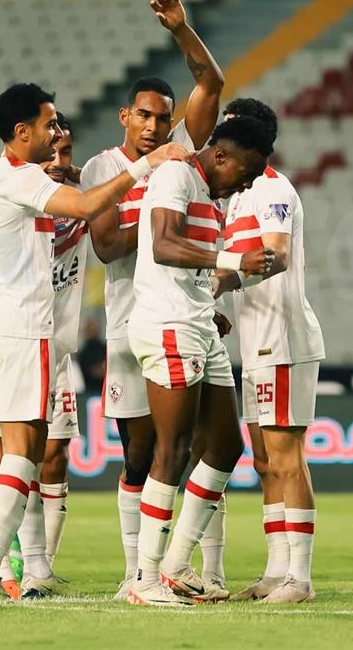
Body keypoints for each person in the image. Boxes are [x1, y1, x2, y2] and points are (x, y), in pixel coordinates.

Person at [0, 82, 188, 600]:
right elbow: (87, 206)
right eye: (48, 125)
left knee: (12, 448)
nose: (55, 132)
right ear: (22, 133)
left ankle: (14, 567)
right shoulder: (19, 178)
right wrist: (146, 167)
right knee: (24, 451)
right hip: (23, 327)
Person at [79, 0, 226, 600]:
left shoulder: (183, 155)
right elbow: (109, 247)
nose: (155, 127)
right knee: (141, 448)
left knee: (196, 444)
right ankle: (136, 569)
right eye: (144, 115)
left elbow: (211, 82)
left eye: (163, 117)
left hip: (182, 315)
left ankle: (184, 567)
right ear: (124, 116)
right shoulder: (101, 170)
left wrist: (182, 29)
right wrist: (156, 212)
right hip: (128, 321)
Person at [125, 115, 276, 607]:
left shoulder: (210, 194)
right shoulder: (175, 175)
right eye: (246, 172)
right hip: (167, 325)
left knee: (225, 446)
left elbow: (185, 266)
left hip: (197, 324)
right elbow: (165, 246)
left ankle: (175, 564)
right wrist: (233, 262)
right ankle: (145, 579)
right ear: (221, 156)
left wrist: (209, 305)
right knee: (172, 449)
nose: (248, 184)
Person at [214, 98, 325, 604]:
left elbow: (277, 256)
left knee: (286, 457)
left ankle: (299, 578)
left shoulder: (273, 189)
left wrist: (218, 277)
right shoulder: (236, 195)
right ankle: (276, 570)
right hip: (256, 340)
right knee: (263, 460)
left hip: (282, 338)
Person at [38, 113, 86, 574]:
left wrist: (83, 175)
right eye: (50, 151)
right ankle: (7, 561)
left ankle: (43, 565)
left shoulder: (80, 204)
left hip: (57, 353)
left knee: (54, 455)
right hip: (15, 343)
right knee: (8, 453)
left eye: (65, 152)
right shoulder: (11, 198)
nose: (56, 160)